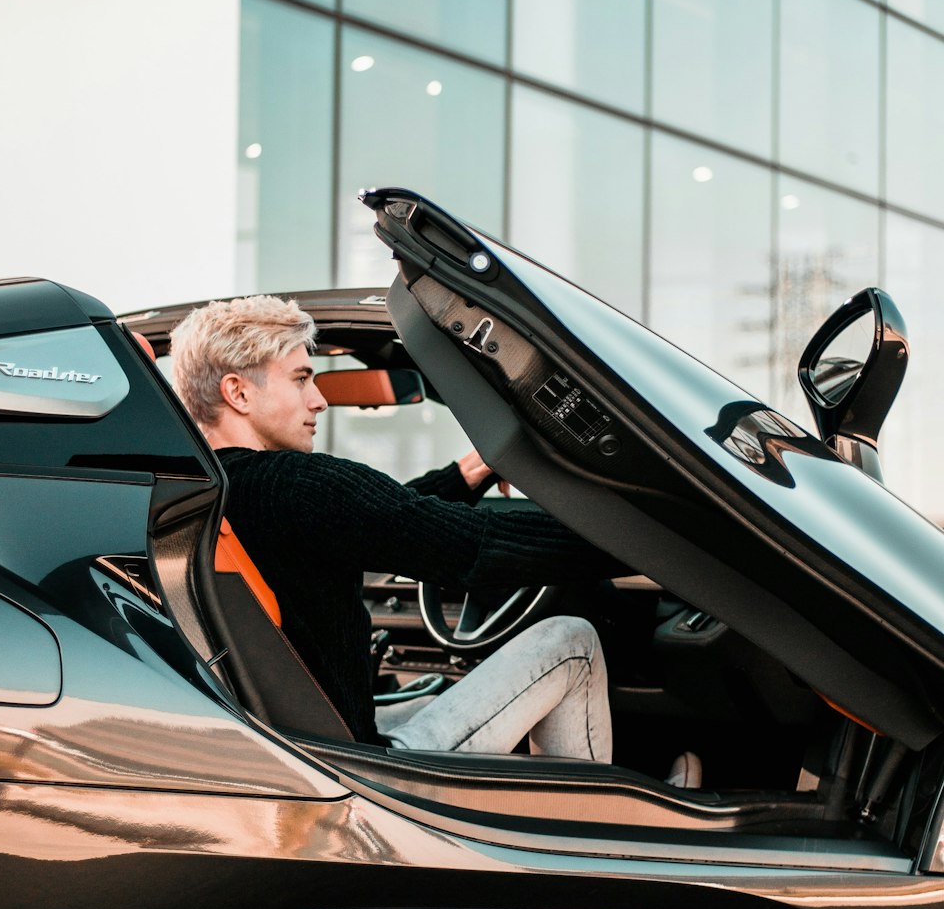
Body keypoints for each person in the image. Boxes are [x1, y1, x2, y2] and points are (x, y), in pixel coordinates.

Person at [170, 294, 700, 786]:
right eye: (301, 379)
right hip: (360, 763)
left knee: (444, 690)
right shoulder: (297, 486)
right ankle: (600, 825)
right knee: (571, 641)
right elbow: (471, 546)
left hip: (288, 745)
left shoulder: (192, 497)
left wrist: (468, 474)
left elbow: (381, 514)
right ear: (238, 391)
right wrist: (652, 541)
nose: (320, 400)